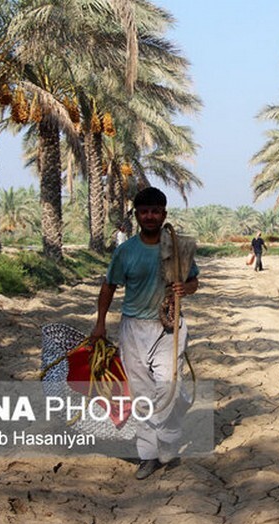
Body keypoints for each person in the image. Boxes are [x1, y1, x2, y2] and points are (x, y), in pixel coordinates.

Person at [92, 187, 199, 480]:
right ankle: (148, 456)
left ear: (164, 214)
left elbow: (194, 282)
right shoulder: (125, 251)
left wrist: (184, 289)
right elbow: (108, 287)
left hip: (168, 328)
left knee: (168, 387)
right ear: (137, 216)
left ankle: (168, 438)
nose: (150, 216)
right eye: (144, 211)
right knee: (141, 393)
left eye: (155, 211)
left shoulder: (177, 246)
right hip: (133, 329)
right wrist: (100, 324)